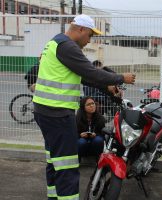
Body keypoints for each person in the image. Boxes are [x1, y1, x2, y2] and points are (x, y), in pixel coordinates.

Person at [32, 14, 135, 200]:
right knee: (67, 166)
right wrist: (120, 78)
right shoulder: (67, 46)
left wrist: (107, 87)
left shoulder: (56, 43)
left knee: (55, 161)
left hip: (46, 111)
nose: (89, 41)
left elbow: (82, 75)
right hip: (57, 114)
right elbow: (90, 71)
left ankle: (53, 197)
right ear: (81, 29)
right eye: (90, 35)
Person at [76, 96, 105, 161]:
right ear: (83, 107)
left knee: (98, 140)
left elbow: (103, 134)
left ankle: (98, 159)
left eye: (93, 103)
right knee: (81, 142)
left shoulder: (100, 118)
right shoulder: (77, 118)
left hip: (94, 143)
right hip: (83, 144)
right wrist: (80, 135)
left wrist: (96, 134)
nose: (92, 106)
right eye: (88, 104)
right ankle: (78, 160)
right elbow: (73, 134)